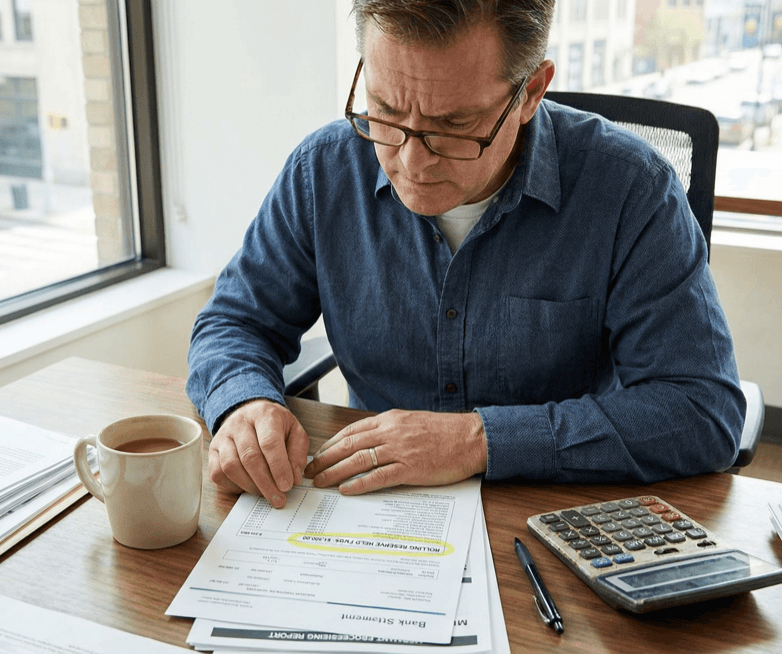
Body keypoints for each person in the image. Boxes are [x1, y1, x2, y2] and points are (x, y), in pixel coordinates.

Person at [188, 0, 745, 509]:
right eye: (384, 109)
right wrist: (244, 403)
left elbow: (701, 411)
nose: (412, 161)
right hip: (368, 514)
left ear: (530, 92)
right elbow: (235, 322)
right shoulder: (323, 173)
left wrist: (479, 439)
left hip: (552, 517)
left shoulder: (630, 191)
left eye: (453, 125)